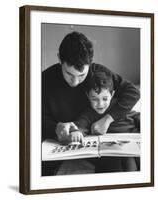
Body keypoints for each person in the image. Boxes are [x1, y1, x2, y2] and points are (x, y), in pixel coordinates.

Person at [42, 31, 140, 175]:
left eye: (81, 75)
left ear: (90, 63)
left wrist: (107, 119)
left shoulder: (99, 74)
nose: (74, 82)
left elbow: (132, 92)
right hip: (64, 142)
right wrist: (54, 127)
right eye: (69, 74)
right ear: (59, 59)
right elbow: (33, 118)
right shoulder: (43, 80)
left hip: (105, 142)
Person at [72, 70, 139, 171]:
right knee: (116, 166)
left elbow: (137, 116)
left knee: (139, 159)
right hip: (112, 149)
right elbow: (80, 125)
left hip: (131, 141)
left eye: (104, 99)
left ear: (112, 95)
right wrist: (76, 132)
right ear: (87, 96)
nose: (100, 104)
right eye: (94, 99)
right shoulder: (89, 113)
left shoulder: (119, 108)